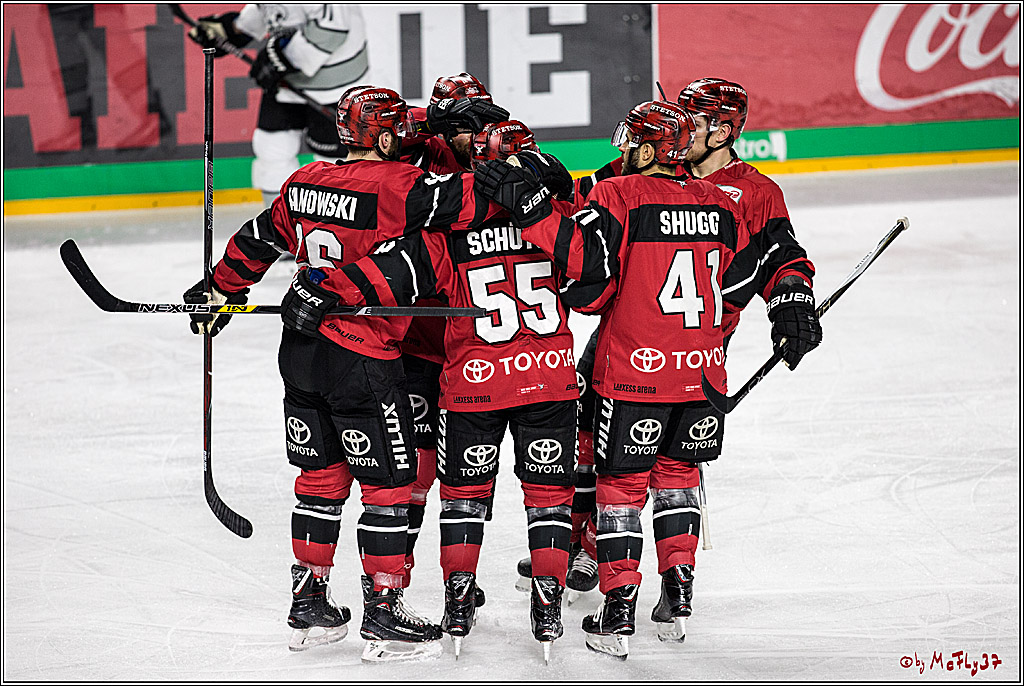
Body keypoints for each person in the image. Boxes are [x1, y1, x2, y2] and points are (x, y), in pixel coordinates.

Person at [474, 99, 821, 658]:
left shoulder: (633, 192)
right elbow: (743, 277)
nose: (622, 150)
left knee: (620, 483)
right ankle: (673, 592)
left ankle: (616, 610)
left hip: (635, 363)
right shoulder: (719, 203)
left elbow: (588, 282)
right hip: (702, 365)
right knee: (675, 473)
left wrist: (536, 214)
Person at [182, 84, 502, 662]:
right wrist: (509, 155)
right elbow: (477, 201)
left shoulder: (304, 181)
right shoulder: (401, 187)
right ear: (387, 138)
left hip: (300, 352)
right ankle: (384, 611)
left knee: (320, 478)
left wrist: (220, 288)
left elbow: (259, 238)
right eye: (401, 130)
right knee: (388, 485)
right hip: (363, 355)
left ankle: (309, 602)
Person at [314, 120, 581, 663]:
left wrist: (323, 289)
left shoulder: (448, 229)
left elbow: (395, 271)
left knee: (462, 496)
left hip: (472, 383)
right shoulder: (559, 217)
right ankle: (548, 604)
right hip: (550, 378)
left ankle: (457, 603)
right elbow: (595, 280)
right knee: (549, 499)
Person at [390, 74, 508, 598]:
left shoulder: (500, 150)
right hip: (422, 337)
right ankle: (396, 573)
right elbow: (376, 140)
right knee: (415, 463)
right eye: (468, 125)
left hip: (481, 347)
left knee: (473, 470)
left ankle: (459, 576)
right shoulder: (418, 151)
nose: (479, 134)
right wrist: (425, 123)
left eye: (484, 122)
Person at [187, 4, 369, 205]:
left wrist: (282, 58)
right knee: (272, 150)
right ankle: (278, 220)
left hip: (335, 84)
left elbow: (333, 28)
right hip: (286, 81)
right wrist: (233, 29)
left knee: (335, 163)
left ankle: (337, 222)